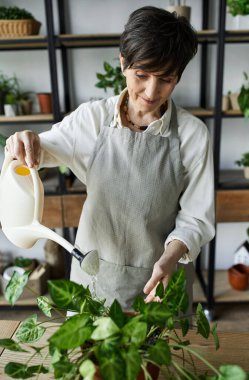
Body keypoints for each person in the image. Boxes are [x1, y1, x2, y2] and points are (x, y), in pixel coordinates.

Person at [5, 6, 214, 312]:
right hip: (96, 282)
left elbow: (196, 217)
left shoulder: (193, 135)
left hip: (161, 284)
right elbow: (37, 151)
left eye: (166, 79)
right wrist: (23, 141)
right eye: (142, 75)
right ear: (123, 63)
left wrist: (171, 258)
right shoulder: (92, 119)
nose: (151, 91)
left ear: (178, 77)